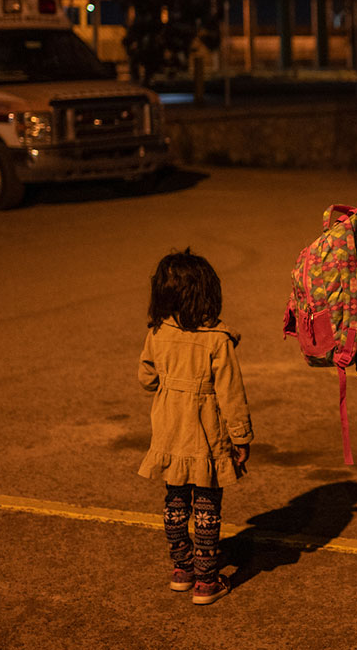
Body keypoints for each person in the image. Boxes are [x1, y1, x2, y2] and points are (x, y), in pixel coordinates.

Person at [137, 248, 253, 606]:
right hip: (206, 434)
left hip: (170, 431)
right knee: (206, 503)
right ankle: (206, 578)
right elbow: (231, 393)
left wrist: (170, 384)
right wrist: (241, 436)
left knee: (174, 500)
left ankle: (181, 568)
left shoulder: (158, 332)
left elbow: (145, 377)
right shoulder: (217, 338)